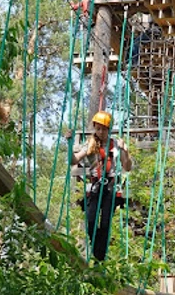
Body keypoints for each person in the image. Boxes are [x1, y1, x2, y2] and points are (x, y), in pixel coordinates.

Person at [71, 111, 132, 261]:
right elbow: (74, 160)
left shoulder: (117, 145)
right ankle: (96, 251)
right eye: (98, 129)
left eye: (104, 129)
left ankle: (100, 258)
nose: (101, 132)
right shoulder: (90, 145)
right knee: (91, 221)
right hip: (96, 187)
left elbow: (127, 166)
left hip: (111, 187)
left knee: (105, 223)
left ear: (109, 129)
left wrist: (125, 150)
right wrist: (68, 145)